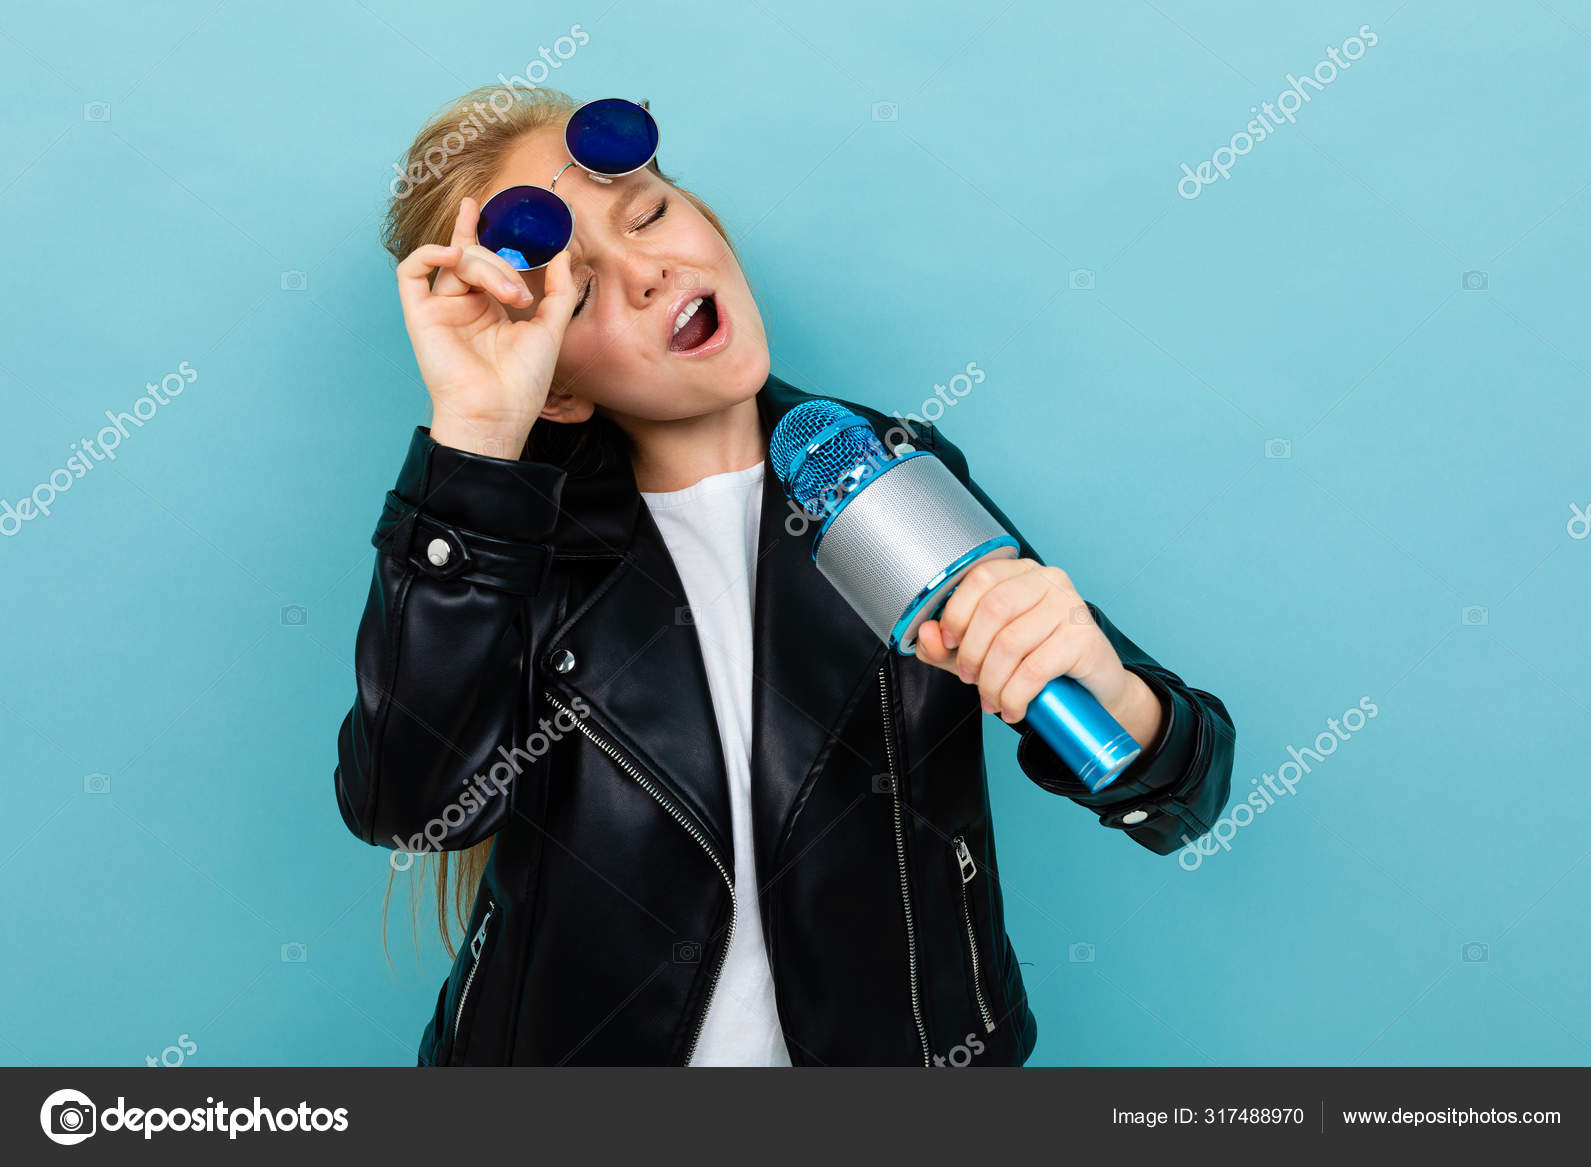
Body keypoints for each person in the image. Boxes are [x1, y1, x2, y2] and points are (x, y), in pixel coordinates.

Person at [334, 86, 1235, 1067]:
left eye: (649, 212)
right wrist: (475, 438)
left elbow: (1182, 794)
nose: (648, 271)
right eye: (579, 293)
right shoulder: (507, 538)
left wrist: (1109, 691)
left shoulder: (883, 468)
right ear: (554, 386)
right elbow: (410, 810)